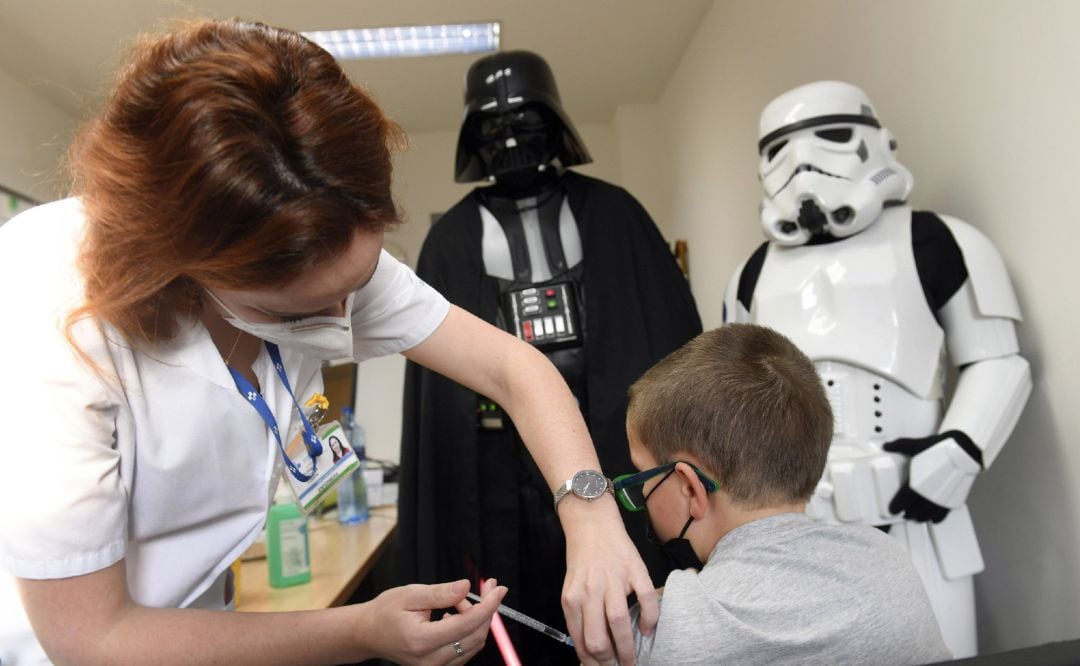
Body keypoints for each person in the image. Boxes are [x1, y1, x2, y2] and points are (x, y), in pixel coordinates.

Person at [0, 19, 656, 665]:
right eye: (305, 310)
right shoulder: (51, 307)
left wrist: (590, 515)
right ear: (188, 267)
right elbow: (93, 639)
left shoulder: (322, 234)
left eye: (361, 280)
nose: (345, 316)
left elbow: (515, 367)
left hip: (205, 619)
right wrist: (359, 631)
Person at [398, 49, 700, 665]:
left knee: (627, 609)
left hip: (610, 459)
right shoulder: (452, 240)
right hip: (492, 471)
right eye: (491, 125)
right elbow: (437, 399)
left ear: (554, 122)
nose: (509, 137)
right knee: (516, 613)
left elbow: (675, 344)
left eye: (525, 120)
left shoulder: (616, 214)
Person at [723, 80, 1031, 657]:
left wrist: (957, 454)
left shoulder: (938, 241)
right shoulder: (749, 272)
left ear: (878, 141)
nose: (803, 164)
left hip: (916, 508)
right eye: (779, 150)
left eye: (832, 136)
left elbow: (998, 359)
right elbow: (732, 393)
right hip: (794, 523)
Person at [617, 324, 952, 665]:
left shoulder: (653, 631)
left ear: (691, 487)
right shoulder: (889, 565)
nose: (642, 490)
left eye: (643, 475)